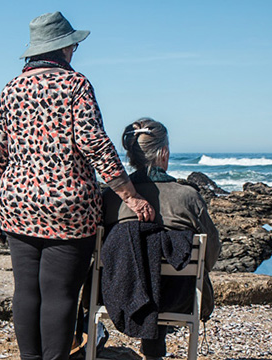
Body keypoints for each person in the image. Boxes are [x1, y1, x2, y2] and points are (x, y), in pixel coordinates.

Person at [0, 11, 154, 360]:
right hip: (68, 206)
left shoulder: (11, 89)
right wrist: (129, 195)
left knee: (26, 291)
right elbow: (94, 142)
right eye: (73, 45)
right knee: (59, 293)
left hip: (16, 202)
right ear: (65, 48)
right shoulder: (76, 85)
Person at [102, 117, 221, 360]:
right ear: (163, 153)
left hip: (116, 295)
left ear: (131, 156)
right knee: (165, 272)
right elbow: (211, 253)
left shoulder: (111, 198)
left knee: (140, 263)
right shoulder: (188, 197)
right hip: (177, 298)